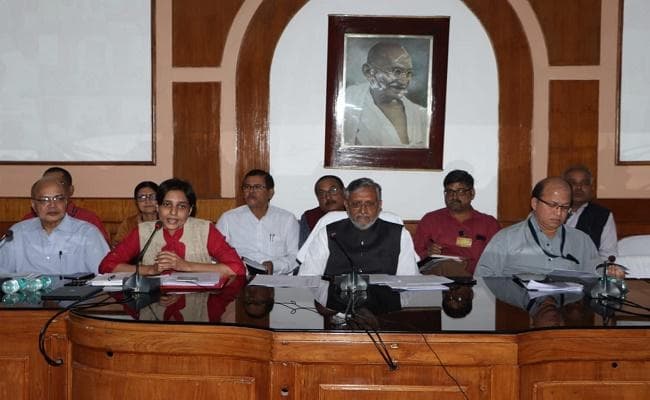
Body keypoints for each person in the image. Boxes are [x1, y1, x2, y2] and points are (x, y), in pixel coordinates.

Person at [99, 178, 245, 277]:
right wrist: (150, 270)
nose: (173, 212)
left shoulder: (205, 230)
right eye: (167, 205)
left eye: (181, 206)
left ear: (190, 210)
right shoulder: (144, 231)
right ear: (158, 207)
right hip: (153, 304)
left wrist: (186, 266)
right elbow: (106, 265)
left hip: (197, 303)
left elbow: (237, 268)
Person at [476, 177, 603, 277]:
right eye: (552, 205)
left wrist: (609, 274)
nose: (558, 213)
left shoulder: (582, 240)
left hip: (567, 302)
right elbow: (483, 278)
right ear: (535, 203)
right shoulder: (506, 238)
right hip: (519, 302)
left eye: (564, 207)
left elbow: (596, 277)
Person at [299, 177, 419, 276]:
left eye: (369, 204)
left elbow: (408, 281)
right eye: (356, 204)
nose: (363, 210)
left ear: (379, 205)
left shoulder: (399, 235)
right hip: (337, 297)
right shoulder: (327, 234)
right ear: (346, 205)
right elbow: (308, 278)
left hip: (385, 296)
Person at [0, 177, 109, 274]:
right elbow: (2, 273)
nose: (52, 205)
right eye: (45, 200)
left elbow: (105, 276)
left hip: (73, 291)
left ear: (66, 202)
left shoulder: (87, 233)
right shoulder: (17, 233)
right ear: (33, 205)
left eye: (58, 199)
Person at [414, 170, 500, 274]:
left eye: (460, 191)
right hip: (438, 278)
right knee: (447, 265)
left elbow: (497, 259)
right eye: (450, 191)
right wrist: (427, 253)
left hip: (477, 278)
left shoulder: (489, 223)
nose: (454, 197)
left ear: (472, 193)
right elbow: (414, 256)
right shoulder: (430, 220)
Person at [344, 42, 429, 147]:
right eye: (396, 72)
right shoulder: (349, 101)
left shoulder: (420, 115)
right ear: (368, 71)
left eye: (409, 73)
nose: (404, 81)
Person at [216, 169, 299, 275]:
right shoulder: (228, 219)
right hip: (240, 277)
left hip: (275, 279)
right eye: (247, 187)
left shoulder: (287, 219)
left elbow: (295, 257)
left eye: (257, 187)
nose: (251, 191)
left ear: (270, 193)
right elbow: (216, 253)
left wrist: (274, 265)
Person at [23, 167, 110, 243]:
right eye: (47, 183)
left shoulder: (89, 220)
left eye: (58, 183)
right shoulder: (28, 221)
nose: (52, 187)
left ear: (71, 190)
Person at [563, 165, 617, 258]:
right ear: (563, 186)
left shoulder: (602, 215)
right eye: (573, 183)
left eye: (585, 183)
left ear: (591, 188)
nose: (579, 187)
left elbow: (608, 254)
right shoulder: (549, 210)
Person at [298, 175, 346, 247]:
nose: (328, 197)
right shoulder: (310, 217)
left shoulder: (357, 212)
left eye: (333, 190)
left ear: (344, 192)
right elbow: (305, 249)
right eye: (322, 193)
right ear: (318, 198)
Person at [112, 181, 159, 247]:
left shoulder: (167, 222)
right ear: (136, 202)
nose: (147, 201)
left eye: (152, 196)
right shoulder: (129, 223)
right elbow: (117, 247)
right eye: (142, 197)